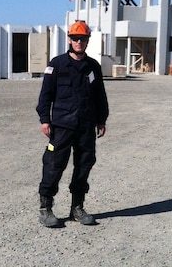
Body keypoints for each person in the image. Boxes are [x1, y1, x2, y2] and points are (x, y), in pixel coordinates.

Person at [36, 20, 109, 227]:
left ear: (87, 41)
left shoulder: (93, 66)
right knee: (53, 165)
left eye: (82, 39)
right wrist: (44, 120)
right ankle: (45, 208)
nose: (79, 42)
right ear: (69, 39)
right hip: (62, 125)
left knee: (84, 165)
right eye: (75, 38)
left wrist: (101, 119)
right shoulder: (57, 64)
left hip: (85, 126)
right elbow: (46, 95)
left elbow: (100, 96)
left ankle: (77, 208)